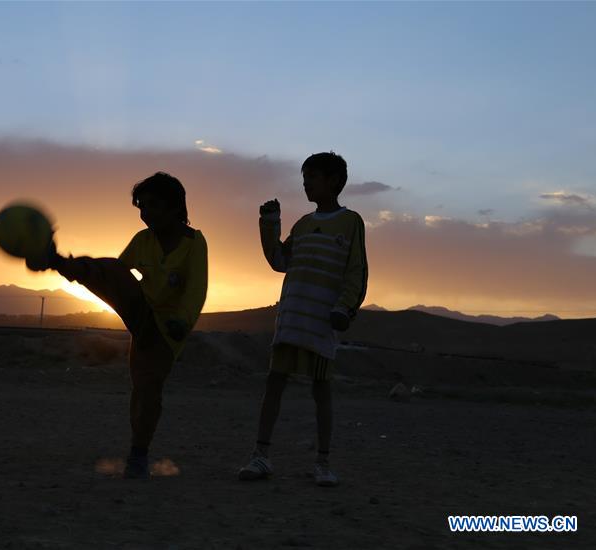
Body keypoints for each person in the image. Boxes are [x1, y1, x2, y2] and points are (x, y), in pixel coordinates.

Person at [27, 172, 208, 479]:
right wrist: (82, 270)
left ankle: (139, 455)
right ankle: (57, 261)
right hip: (142, 313)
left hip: (168, 331)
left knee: (147, 390)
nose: (145, 213)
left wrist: (184, 320)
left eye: (153, 205)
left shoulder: (194, 243)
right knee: (112, 268)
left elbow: (196, 290)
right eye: (141, 206)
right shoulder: (143, 240)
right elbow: (116, 276)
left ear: (176, 207)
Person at [238, 152, 367, 487]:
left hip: (321, 324)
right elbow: (279, 261)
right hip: (292, 320)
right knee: (274, 384)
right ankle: (261, 456)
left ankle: (322, 463)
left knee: (321, 390)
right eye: (304, 177)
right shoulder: (303, 225)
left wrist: (345, 308)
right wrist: (269, 223)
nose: (305, 184)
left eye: (312, 177)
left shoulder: (351, 222)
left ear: (333, 181)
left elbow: (356, 270)